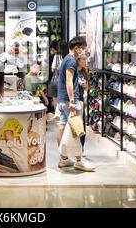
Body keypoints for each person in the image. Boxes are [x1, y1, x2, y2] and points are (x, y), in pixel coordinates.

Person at [56, 36, 96, 172]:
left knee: (63, 127)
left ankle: (64, 159)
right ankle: (79, 161)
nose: (83, 51)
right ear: (77, 47)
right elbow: (69, 81)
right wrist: (72, 101)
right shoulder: (71, 60)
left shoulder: (66, 59)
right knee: (76, 129)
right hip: (69, 100)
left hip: (63, 99)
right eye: (82, 48)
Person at [76, 52, 90, 149]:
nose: (85, 61)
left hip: (81, 99)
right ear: (78, 60)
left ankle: (81, 148)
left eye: (85, 59)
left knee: (82, 125)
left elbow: (87, 88)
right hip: (74, 99)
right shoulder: (73, 71)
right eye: (83, 59)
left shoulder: (84, 72)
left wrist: (85, 86)